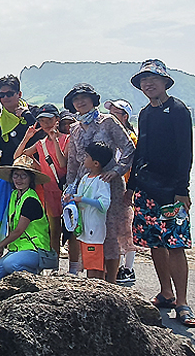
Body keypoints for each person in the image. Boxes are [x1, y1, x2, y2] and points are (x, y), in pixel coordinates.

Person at [127, 59, 195, 328]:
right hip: (147, 189)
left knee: (176, 245)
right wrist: (131, 186)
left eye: (153, 79)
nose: (148, 84)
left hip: (171, 193)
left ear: (165, 82)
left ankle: (183, 302)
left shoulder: (178, 110)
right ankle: (166, 293)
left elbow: (185, 153)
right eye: (144, 80)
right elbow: (141, 151)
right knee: (155, 243)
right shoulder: (145, 113)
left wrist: (182, 190)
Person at [64, 83, 135, 281]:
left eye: (84, 97)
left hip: (109, 183)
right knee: (89, 230)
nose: (80, 102)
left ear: (93, 99)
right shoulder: (74, 129)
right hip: (85, 185)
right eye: (76, 99)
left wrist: (117, 170)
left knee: (111, 233)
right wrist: (69, 187)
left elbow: (129, 148)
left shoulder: (108, 121)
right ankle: (94, 280)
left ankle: (111, 282)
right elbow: (72, 161)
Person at [14, 103, 67, 261]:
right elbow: (18, 156)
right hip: (49, 190)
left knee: (71, 229)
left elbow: (62, 163)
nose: (45, 124)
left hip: (65, 189)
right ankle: (54, 263)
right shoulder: (40, 143)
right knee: (54, 229)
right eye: (42, 121)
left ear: (57, 120)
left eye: (49, 120)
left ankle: (73, 266)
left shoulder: (67, 139)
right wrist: (27, 137)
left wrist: (55, 140)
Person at [0, 155, 51, 283]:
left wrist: (1, 245)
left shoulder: (31, 200)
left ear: (30, 179)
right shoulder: (14, 194)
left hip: (35, 249)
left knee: (10, 264)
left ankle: (35, 278)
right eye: (16, 175)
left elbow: (19, 230)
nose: (19, 179)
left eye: (23, 176)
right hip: (16, 249)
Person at [64, 142, 112, 280]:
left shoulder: (102, 180)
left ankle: (96, 288)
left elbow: (103, 204)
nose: (84, 159)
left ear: (96, 163)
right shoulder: (85, 178)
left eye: (86, 156)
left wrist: (82, 199)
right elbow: (78, 197)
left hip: (94, 232)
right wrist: (71, 198)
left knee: (95, 266)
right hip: (84, 229)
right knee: (89, 263)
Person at [104, 99, 138, 284]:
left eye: (115, 113)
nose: (111, 117)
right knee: (113, 229)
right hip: (110, 188)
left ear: (125, 117)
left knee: (126, 229)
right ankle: (114, 268)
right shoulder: (109, 136)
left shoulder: (131, 138)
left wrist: (131, 191)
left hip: (125, 188)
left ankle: (128, 268)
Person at [0, 75, 43, 166]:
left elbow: (43, 133)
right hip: (11, 169)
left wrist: (27, 115)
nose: (5, 97)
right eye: (2, 95)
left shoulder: (34, 113)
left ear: (19, 94)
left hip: (35, 168)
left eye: (9, 94)